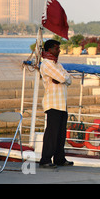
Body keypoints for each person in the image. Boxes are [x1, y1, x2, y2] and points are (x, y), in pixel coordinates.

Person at [39, 39, 73, 169]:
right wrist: (63, 78)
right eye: (56, 48)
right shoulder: (47, 64)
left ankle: (59, 158)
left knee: (60, 133)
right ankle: (45, 159)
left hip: (61, 103)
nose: (59, 50)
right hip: (53, 103)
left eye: (58, 48)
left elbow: (68, 79)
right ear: (49, 50)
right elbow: (64, 78)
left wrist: (62, 78)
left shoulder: (57, 64)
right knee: (52, 134)